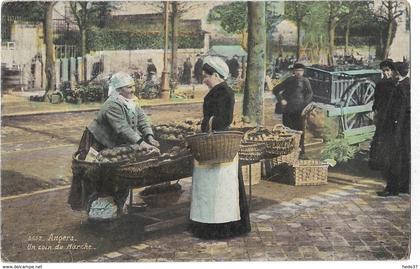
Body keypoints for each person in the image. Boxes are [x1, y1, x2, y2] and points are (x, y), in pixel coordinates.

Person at [68, 72, 160, 215]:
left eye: (133, 86)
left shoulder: (131, 101)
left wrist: (149, 136)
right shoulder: (112, 104)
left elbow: (142, 119)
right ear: (119, 89)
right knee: (99, 176)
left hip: (116, 142)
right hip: (98, 143)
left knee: (119, 175)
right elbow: (123, 128)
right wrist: (142, 143)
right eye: (128, 87)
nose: (133, 90)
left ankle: (116, 206)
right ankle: (98, 210)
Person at [190, 56, 251, 239]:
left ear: (216, 75)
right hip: (213, 143)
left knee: (220, 187)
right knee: (211, 187)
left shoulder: (224, 92)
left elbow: (224, 119)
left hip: (219, 144)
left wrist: (205, 124)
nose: (204, 80)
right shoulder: (219, 90)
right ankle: (208, 224)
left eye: (206, 76)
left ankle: (222, 226)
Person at [377, 62, 410, 196]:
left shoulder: (401, 87)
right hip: (402, 128)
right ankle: (402, 186)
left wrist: (395, 124)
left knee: (393, 158)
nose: (391, 73)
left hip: (396, 128)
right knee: (403, 156)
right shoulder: (406, 85)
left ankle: (392, 188)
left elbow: (400, 111)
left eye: (393, 71)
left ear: (397, 72)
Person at [272, 63, 313, 156]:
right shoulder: (289, 80)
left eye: (301, 71)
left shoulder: (305, 81)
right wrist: (281, 99)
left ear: (303, 72)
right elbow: (275, 90)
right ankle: (288, 152)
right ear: (294, 71)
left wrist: (305, 104)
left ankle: (301, 152)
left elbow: (310, 93)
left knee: (300, 130)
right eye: (297, 71)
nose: (299, 73)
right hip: (288, 110)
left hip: (300, 110)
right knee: (287, 130)